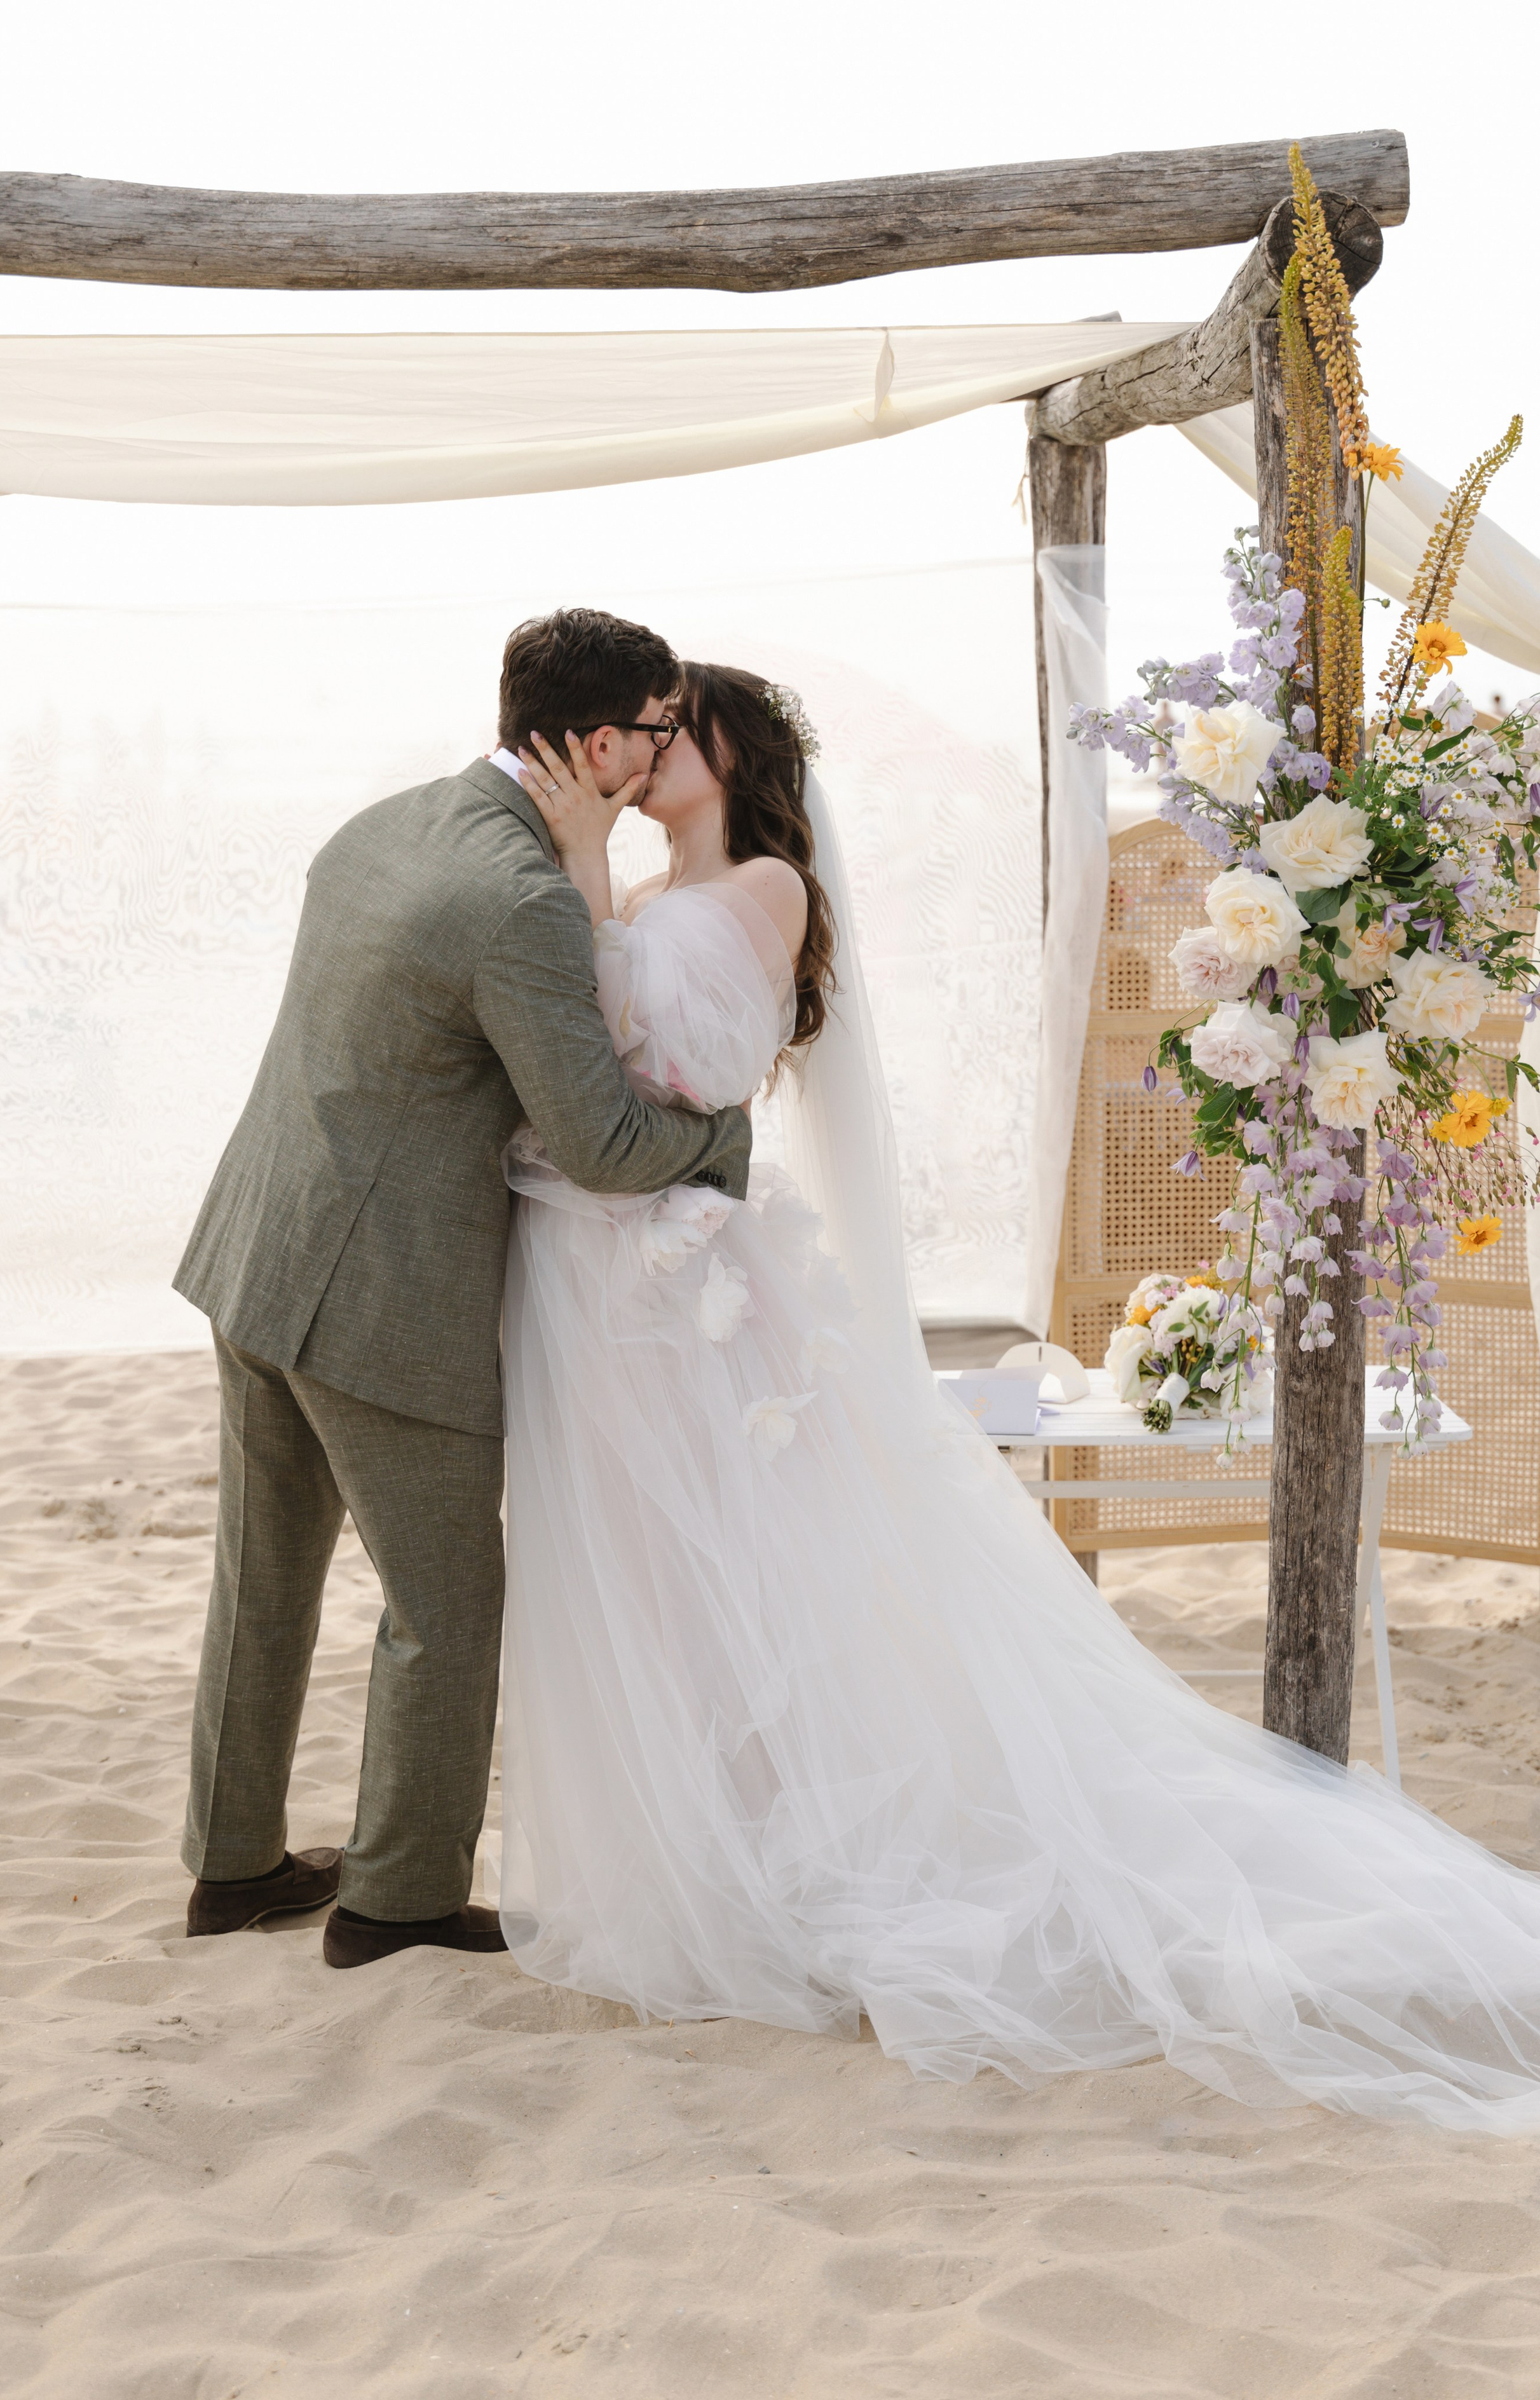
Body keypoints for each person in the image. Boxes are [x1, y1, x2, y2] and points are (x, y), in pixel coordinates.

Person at [497, 661, 1540, 2134]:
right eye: (648, 725)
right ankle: (716, 1847)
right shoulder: (638, 880)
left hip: (703, 1286)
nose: (655, 742)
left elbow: (691, 1065)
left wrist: (585, 874)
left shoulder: (767, 887)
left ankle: (790, 1855)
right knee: (664, 1584)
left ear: (735, 754)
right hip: (626, 1289)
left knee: (759, 1579)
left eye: (681, 723)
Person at [172, 609, 751, 1968]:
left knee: (262, 1577)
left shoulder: (386, 822)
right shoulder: (523, 901)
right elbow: (606, 1145)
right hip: (376, 1300)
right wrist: (720, 1137)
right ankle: (398, 1901)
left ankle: (233, 1866)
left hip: (255, 1246)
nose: (663, 750)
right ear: (601, 742)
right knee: (447, 1601)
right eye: (657, 730)